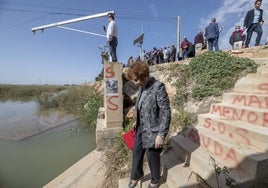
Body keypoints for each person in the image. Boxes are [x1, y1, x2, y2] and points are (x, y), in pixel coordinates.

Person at [127, 60, 171, 188]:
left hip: (154, 129)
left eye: (136, 79)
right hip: (141, 126)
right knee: (136, 152)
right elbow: (141, 106)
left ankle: (155, 180)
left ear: (143, 75)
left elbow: (166, 112)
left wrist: (161, 135)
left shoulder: (158, 87)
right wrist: (137, 120)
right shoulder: (142, 87)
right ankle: (136, 175)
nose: (136, 83)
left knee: (152, 156)